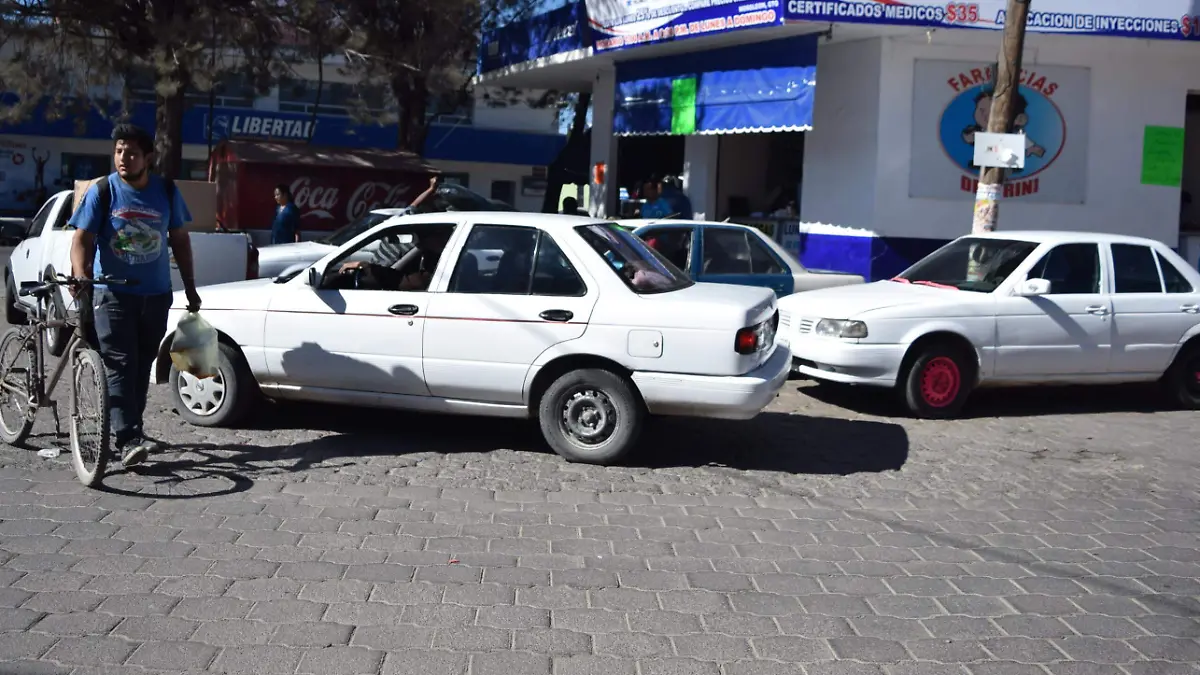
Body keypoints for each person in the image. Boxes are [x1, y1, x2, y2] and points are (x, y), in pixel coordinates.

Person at [69, 124, 202, 468]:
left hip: (155, 296)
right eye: (118, 151)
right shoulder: (104, 190)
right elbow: (81, 239)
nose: (123, 159)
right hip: (111, 294)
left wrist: (189, 287)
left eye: (131, 152)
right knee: (120, 363)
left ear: (148, 158)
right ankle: (127, 437)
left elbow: (181, 242)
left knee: (142, 365)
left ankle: (133, 429)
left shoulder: (167, 191)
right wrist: (81, 275)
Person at [339, 224, 452, 291]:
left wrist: (366, 267)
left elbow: (405, 281)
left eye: (424, 237)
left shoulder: (449, 264)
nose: (420, 242)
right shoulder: (439, 259)